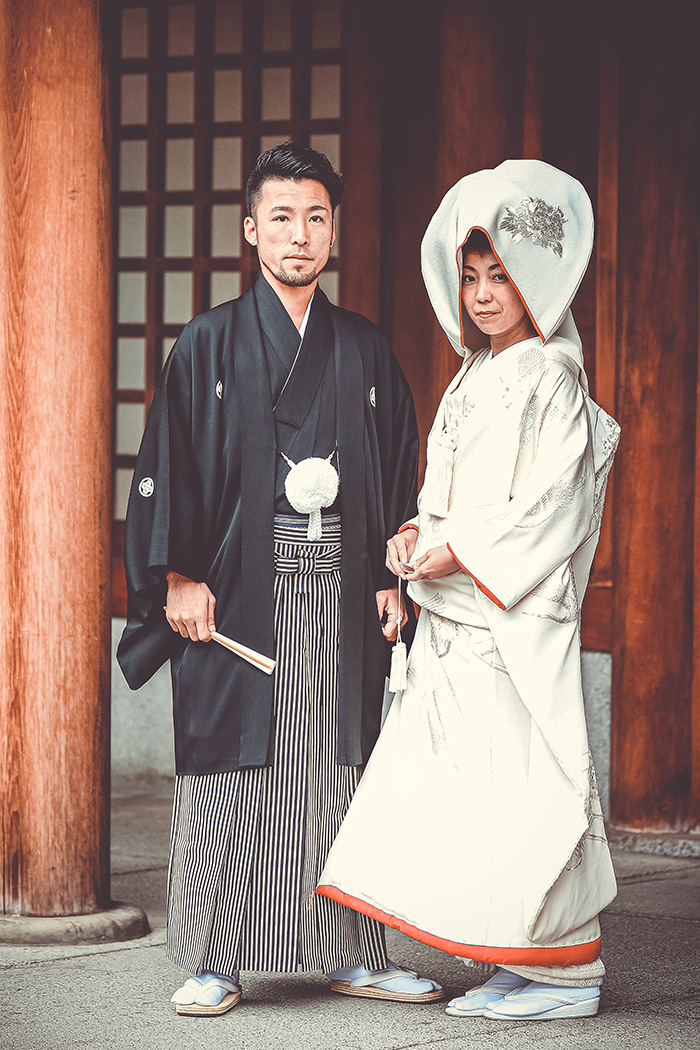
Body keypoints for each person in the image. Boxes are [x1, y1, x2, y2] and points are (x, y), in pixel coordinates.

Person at [117, 142, 442, 1015]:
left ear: (334, 230)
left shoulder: (366, 351)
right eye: (283, 216)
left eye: (317, 217)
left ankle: (357, 951)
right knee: (235, 775)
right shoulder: (210, 343)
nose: (301, 235)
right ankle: (215, 957)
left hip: (339, 594)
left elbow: (401, 468)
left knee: (338, 772)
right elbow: (166, 469)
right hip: (236, 596)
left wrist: (393, 568)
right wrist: (177, 575)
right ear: (252, 228)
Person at [317, 159, 621, 1021]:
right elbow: (447, 496)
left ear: (540, 280)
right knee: (483, 800)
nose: (486, 294)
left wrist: (457, 552)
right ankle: (520, 957)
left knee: (527, 789)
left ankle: (567, 973)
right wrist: (417, 536)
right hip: (458, 619)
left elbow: (552, 509)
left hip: (508, 621)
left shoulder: (552, 378)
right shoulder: (473, 374)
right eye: (473, 276)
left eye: (504, 275)